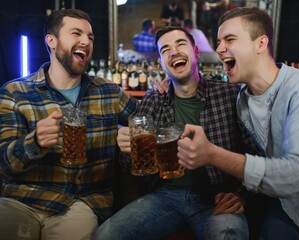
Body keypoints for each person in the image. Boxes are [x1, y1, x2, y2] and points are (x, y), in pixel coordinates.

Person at [177, 7, 299, 240]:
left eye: (229, 39)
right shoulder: (242, 100)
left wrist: (212, 154)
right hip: (292, 210)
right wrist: (169, 81)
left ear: (261, 43)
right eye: (219, 41)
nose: (219, 48)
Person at [93, 26, 263, 240]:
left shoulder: (230, 95)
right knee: (103, 236)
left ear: (196, 52)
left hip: (216, 198)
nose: (173, 52)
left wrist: (241, 194)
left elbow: (257, 152)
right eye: (165, 50)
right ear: (161, 63)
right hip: (164, 197)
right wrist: (126, 148)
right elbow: (132, 167)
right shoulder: (153, 100)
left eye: (180, 44)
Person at [0, 9, 138, 240]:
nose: (86, 41)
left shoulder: (108, 92)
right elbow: (4, 162)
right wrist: (34, 142)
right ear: (51, 41)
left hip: (81, 202)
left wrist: (169, 85)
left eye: (90, 37)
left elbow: (151, 118)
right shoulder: (15, 93)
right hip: (22, 200)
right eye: (76, 33)